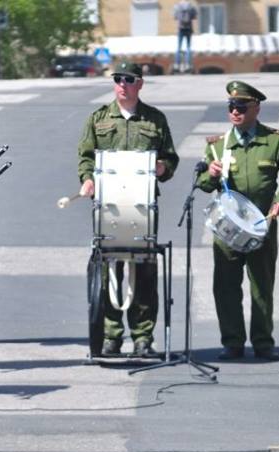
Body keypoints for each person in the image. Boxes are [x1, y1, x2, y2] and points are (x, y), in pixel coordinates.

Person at [195, 81, 279, 361]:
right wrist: (210, 173)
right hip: (227, 229)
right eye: (231, 107)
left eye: (241, 107)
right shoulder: (217, 146)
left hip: (262, 224)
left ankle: (262, 343)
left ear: (256, 108)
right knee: (226, 286)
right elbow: (204, 184)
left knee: (262, 284)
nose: (235, 112)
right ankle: (232, 342)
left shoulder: (274, 142)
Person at [77, 61, 179, 357]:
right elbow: (85, 157)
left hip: (142, 207)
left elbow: (170, 158)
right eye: (118, 79)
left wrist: (163, 168)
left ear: (140, 84)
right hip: (108, 206)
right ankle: (111, 335)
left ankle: (143, 336)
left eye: (128, 79)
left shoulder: (155, 119)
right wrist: (87, 180)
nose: (122, 84)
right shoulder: (98, 119)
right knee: (109, 270)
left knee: (143, 272)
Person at [173, 1, 197, 73]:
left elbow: (175, 17)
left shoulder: (177, 6)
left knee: (178, 47)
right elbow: (195, 16)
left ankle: (177, 64)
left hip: (180, 28)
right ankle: (187, 64)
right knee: (188, 47)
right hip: (189, 28)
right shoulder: (191, 6)